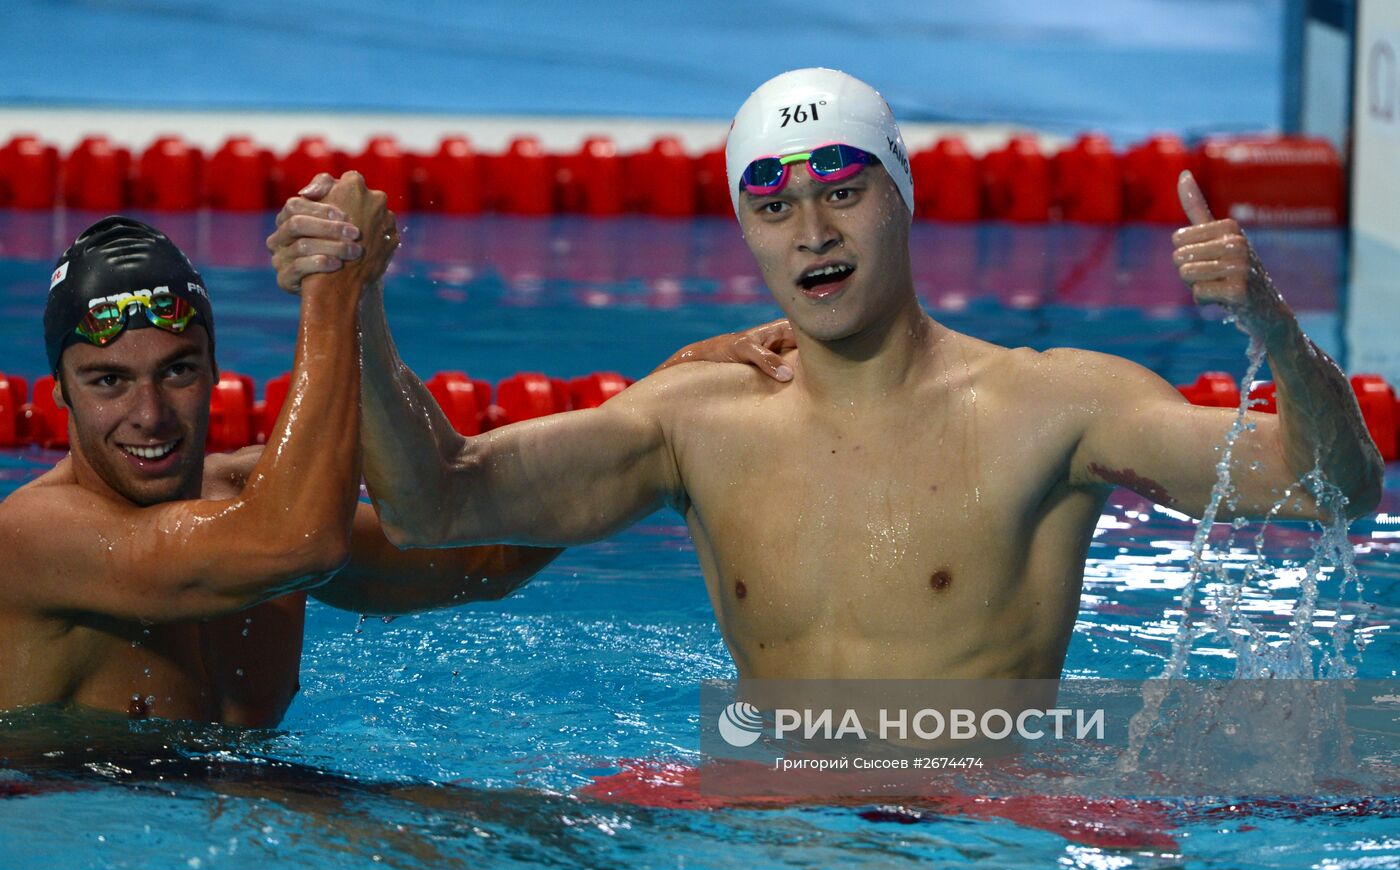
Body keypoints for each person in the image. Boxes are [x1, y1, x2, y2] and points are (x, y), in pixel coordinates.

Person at [267, 69, 1383, 682]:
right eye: (772, 206)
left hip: (989, 830)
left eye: (842, 191)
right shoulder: (694, 422)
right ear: (744, 233)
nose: (810, 232)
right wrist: (352, 303)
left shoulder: (1056, 405)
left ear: (902, 196)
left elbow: (1333, 491)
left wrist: (1270, 327)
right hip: (771, 824)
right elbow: (430, 503)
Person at [0, 176, 793, 728]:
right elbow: (296, 540)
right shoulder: (35, 540)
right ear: (60, 392)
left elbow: (484, 554)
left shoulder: (246, 501)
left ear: (214, 369)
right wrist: (334, 286)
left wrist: (674, 399)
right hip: (77, 818)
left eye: (176, 370)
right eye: (108, 380)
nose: (148, 414)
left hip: (250, 813)